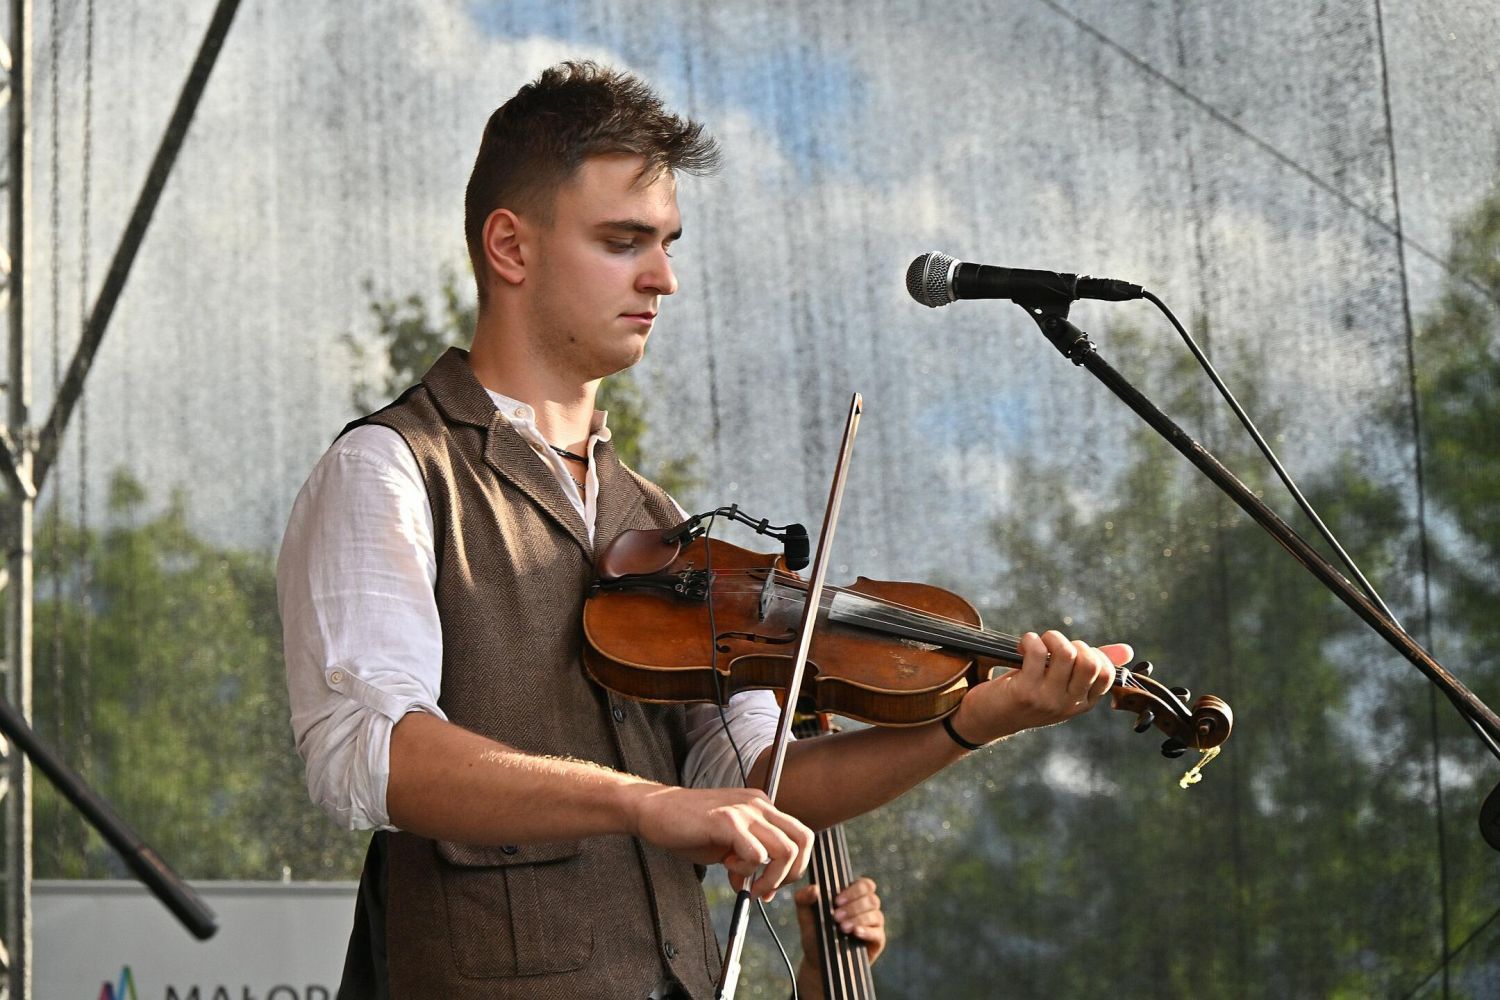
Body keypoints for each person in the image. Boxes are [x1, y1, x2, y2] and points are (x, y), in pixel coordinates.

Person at [278, 61, 1130, 1000]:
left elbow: (760, 775)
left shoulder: (659, 521)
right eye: (623, 241)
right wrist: (647, 804)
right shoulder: (392, 467)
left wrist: (970, 723)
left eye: (667, 243)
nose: (665, 278)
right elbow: (369, 750)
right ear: (511, 247)